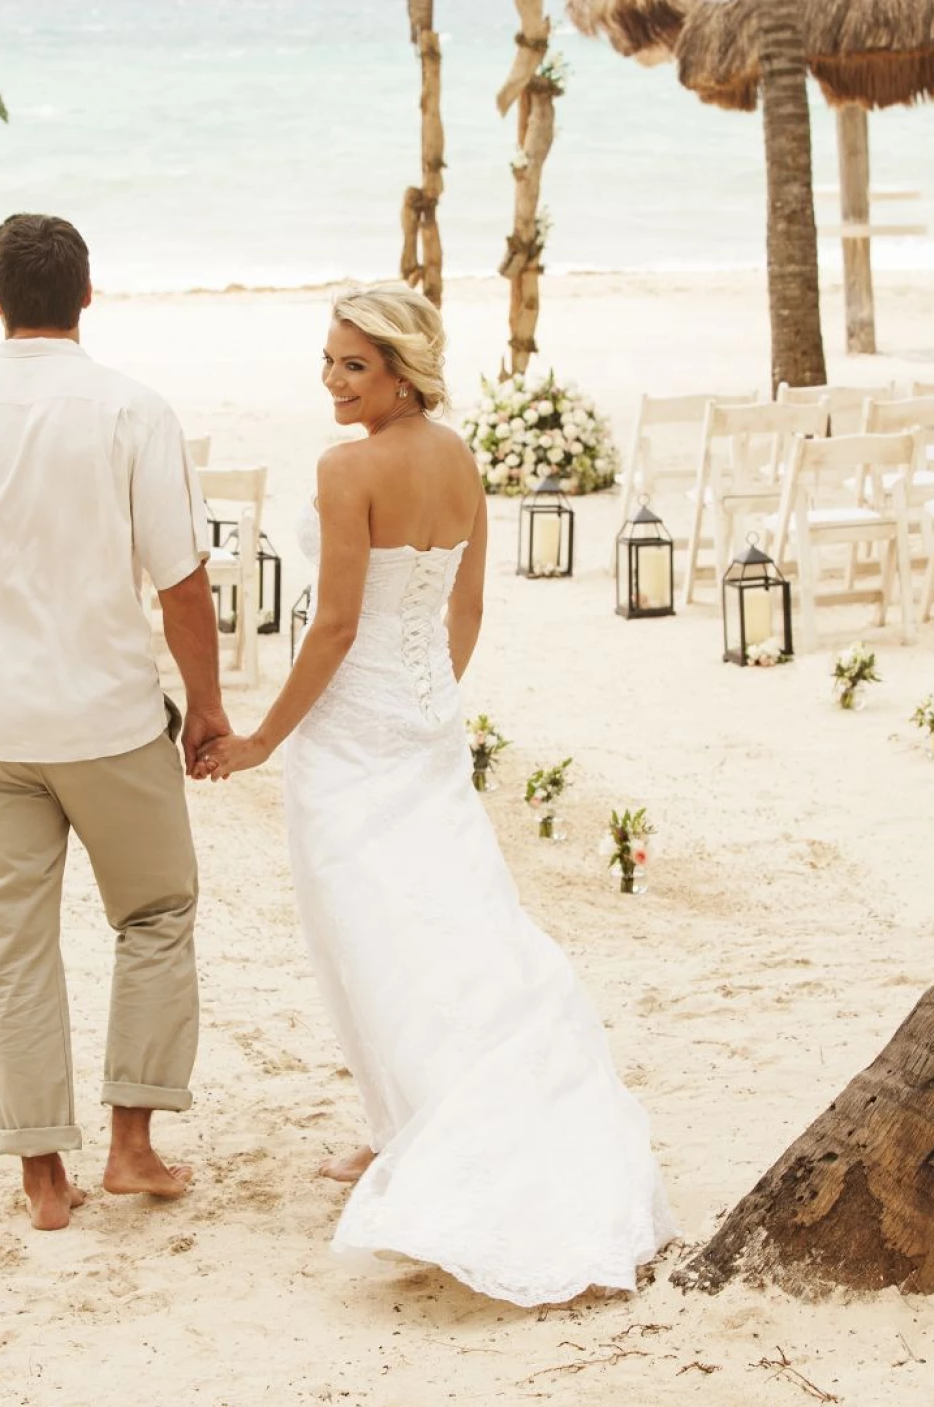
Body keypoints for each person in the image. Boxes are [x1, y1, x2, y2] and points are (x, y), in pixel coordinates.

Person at [197, 286, 674, 1306]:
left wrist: (257, 743)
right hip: (419, 723)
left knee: (369, 932)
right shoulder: (458, 457)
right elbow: (466, 606)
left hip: (350, 734)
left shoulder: (346, 469)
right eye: (326, 360)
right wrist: (425, 699)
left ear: (402, 372)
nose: (331, 379)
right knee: (444, 918)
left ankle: (416, 1134)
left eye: (353, 366)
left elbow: (329, 629)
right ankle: (399, 1125)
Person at [0, 213, 227, 1232]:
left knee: (15, 948)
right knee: (155, 917)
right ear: (86, 296)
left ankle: (42, 1179)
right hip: (112, 720)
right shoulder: (131, 411)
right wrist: (206, 707)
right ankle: (132, 1146)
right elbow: (182, 584)